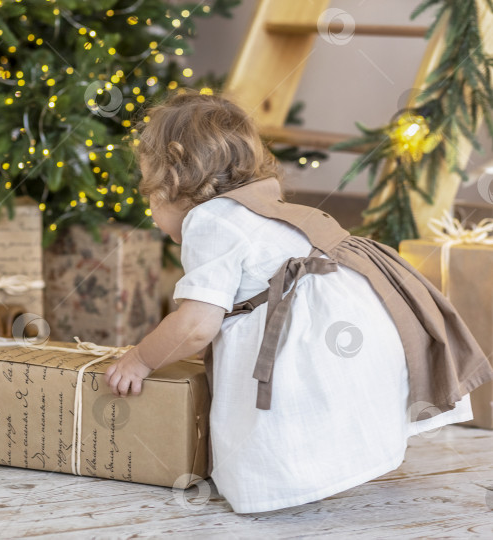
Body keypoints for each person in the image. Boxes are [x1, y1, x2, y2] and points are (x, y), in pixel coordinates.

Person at [103, 90, 493, 514]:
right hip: (369, 317)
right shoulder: (262, 207)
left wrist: (140, 359)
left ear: (176, 180)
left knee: (274, 419)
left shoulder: (209, 220)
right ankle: (342, 463)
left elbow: (197, 324)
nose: (151, 212)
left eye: (150, 196)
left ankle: (284, 481)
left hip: (316, 333)